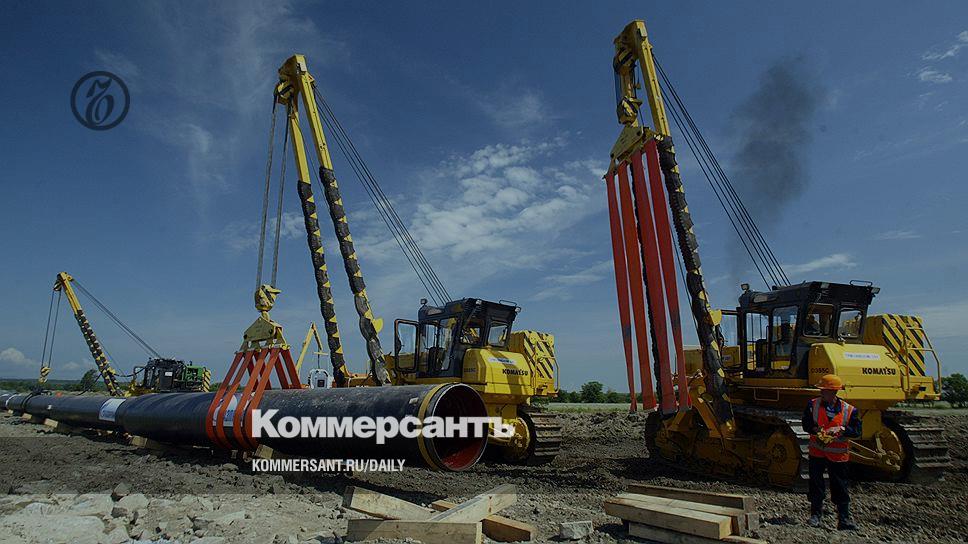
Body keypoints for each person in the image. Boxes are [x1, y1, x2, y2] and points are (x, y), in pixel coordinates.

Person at [802, 374, 861, 530]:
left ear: (834, 392)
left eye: (825, 390)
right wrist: (815, 429)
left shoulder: (849, 410)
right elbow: (806, 424)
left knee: (840, 486)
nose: (822, 393)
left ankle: (844, 519)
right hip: (817, 453)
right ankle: (815, 515)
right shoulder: (812, 405)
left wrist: (842, 429)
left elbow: (856, 431)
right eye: (821, 390)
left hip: (838, 455)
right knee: (816, 485)